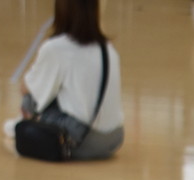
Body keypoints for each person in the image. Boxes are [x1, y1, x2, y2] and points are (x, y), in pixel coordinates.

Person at [13, 0, 123, 160]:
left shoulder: (55, 48)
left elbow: (25, 88)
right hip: (114, 138)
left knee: (29, 100)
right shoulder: (107, 48)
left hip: (82, 140)